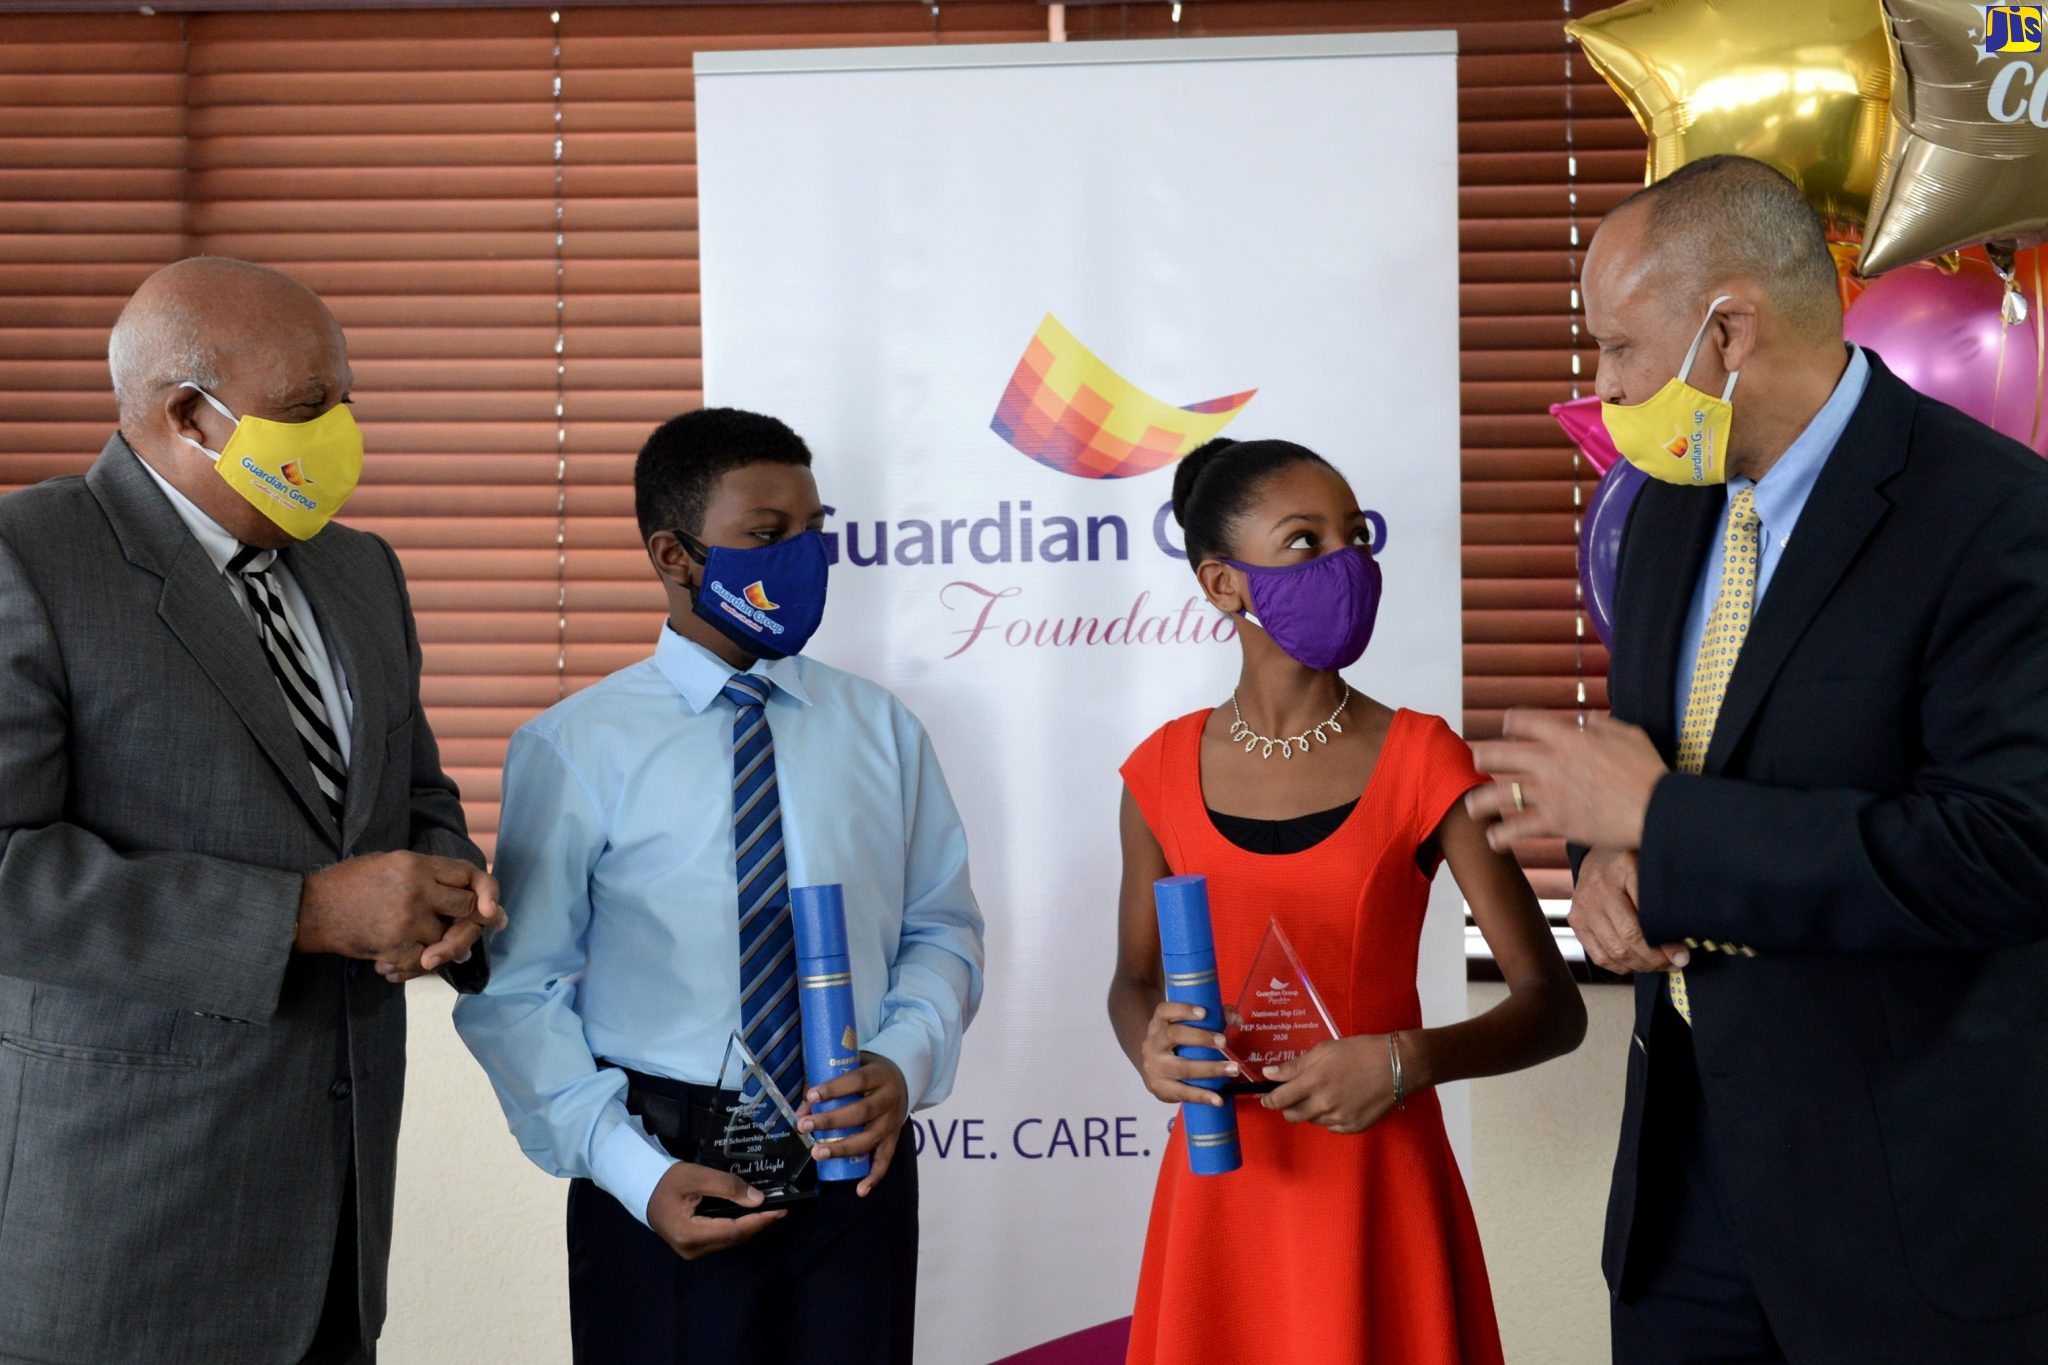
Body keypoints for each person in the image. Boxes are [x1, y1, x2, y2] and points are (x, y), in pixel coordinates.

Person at [1466, 155, 2048, 1363]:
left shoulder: (1995, 520)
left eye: (1619, 348)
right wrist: (1609, 864)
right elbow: (1655, 766)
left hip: (1899, 1221)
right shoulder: (1667, 505)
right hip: (1683, 1203)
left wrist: (1663, 826)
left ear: (1726, 331)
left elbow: (2002, 852)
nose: (1602, 384)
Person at [0, 256, 503, 1365]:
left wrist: (441, 880)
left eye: (346, 401)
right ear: (188, 415)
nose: (344, 434)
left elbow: (411, 791)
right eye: (310, 409)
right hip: (123, 1241)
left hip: (333, 1229)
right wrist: (300, 914)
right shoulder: (30, 557)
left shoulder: (362, 571)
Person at [455, 406, 984, 1365]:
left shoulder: (882, 731)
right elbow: (517, 990)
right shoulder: (575, 747)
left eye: (817, 532)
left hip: (852, 1170)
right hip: (665, 1174)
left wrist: (902, 1061)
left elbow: (940, 929)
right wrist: (631, 1169)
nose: (806, 558)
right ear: (676, 554)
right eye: (768, 537)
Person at [1108, 437, 1586, 1365]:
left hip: (1382, 1187)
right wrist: (1150, 1046)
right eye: (1305, 540)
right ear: (1222, 584)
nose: (1347, 562)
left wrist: (1405, 1061)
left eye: (1355, 535)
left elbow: (1551, 1007)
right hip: (1221, 1187)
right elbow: (1133, 980)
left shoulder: (1423, 757)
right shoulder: (1157, 771)